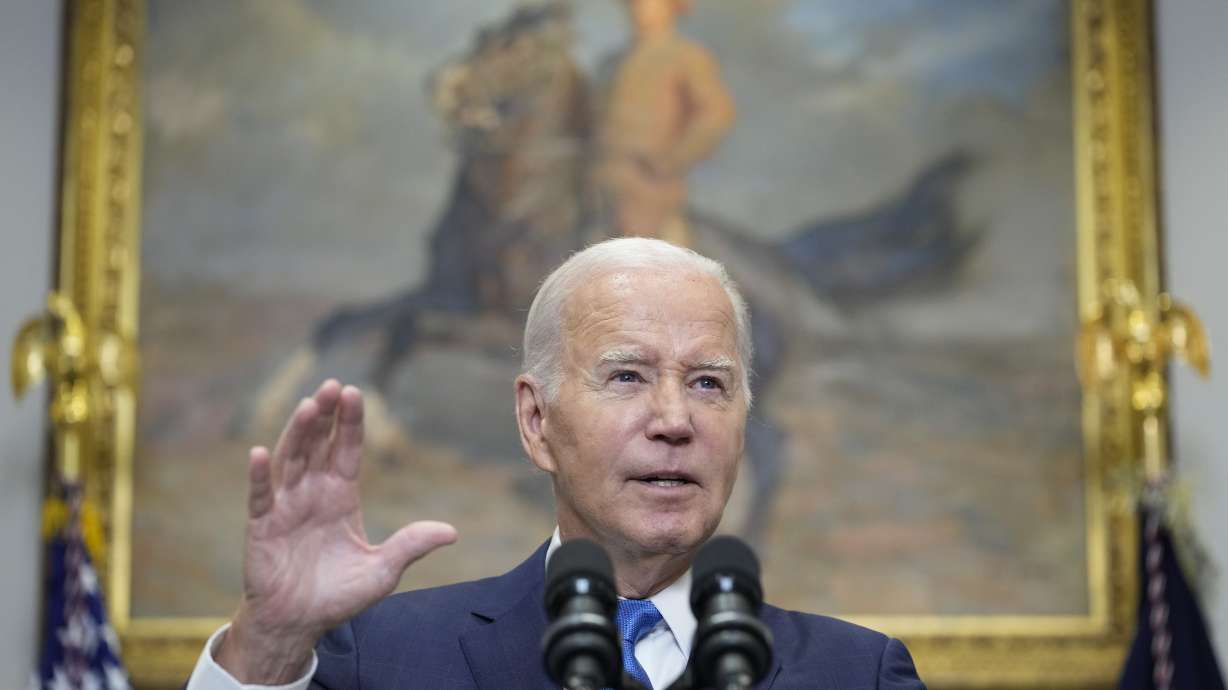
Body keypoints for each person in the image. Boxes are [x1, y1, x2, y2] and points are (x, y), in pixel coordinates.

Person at [186, 238, 924, 689]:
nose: (675, 421)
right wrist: (272, 643)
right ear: (536, 422)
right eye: (627, 376)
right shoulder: (379, 661)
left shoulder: (859, 675)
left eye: (709, 383)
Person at [594, 0, 735, 248]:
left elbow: (716, 114)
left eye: (650, 3)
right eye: (634, 4)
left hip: (650, 187)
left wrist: (672, 160)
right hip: (599, 185)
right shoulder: (611, 62)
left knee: (645, 258)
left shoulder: (685, 56)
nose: (640, 9)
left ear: (672, 7)